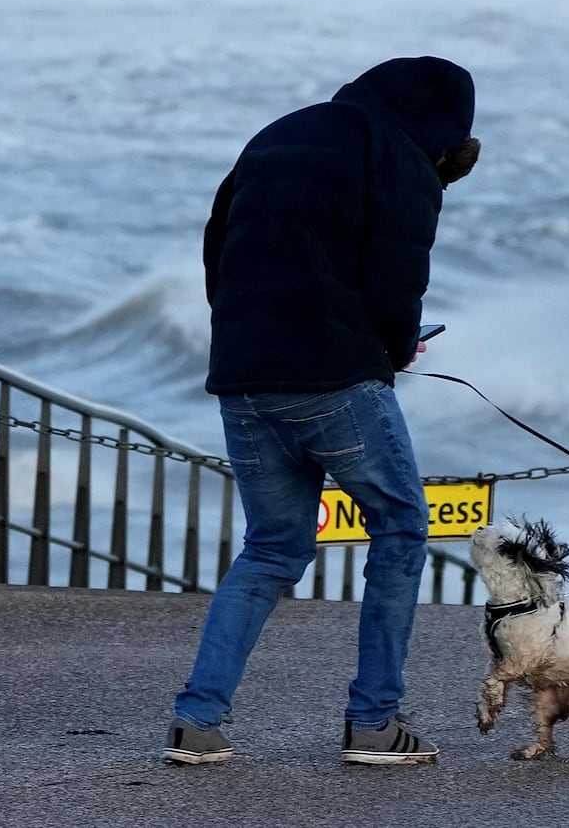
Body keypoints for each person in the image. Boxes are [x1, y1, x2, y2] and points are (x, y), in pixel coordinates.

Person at [165, 56, 481, 767]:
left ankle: (197, 721)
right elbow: (396, 278)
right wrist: (396, 348)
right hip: (334, 378)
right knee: (400, 530)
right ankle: (374, 722)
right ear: (444, 131)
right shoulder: (398, 155)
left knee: (273, 547)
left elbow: (219, 250)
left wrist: (254, 338)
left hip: (244, 374)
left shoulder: (278, 134)